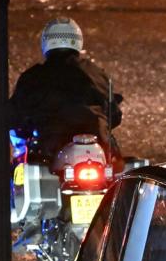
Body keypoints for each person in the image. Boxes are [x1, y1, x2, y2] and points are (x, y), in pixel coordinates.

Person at [9, 17, 122, 163]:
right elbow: (115, 115)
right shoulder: (97, 73)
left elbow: (14, 115)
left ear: (46, 42)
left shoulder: (33, 76)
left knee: (20, 170)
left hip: (49, 150)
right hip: (97, 146)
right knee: (118, 168)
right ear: (78, 41)